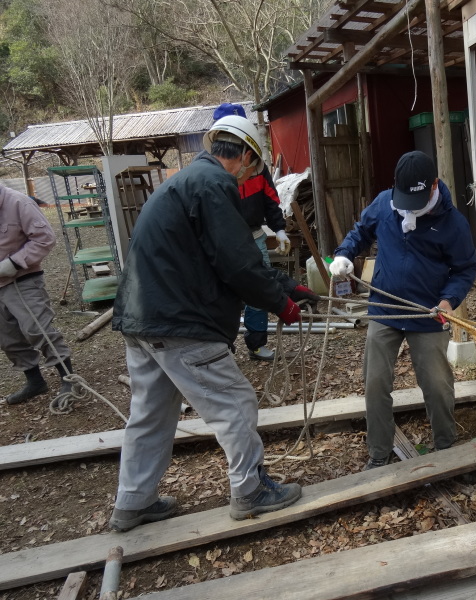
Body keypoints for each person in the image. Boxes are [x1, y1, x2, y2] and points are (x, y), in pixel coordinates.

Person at [109, 115, 319, 532]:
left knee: (150, 413)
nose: (248, 174)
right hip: (180, 320)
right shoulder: (214, 185)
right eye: (251, 167)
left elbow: (224, 254)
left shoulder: (187, 182)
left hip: (143, 317)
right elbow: (238, 263)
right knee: (236, 402)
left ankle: (133, 502)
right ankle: (250, 491)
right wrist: (281, 303)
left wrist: (287, 286)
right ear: (244, 155)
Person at [329, 151, 476, 470]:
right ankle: (379, 454)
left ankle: (446, 448)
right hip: (385, 309)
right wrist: (343, 254)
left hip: (428, 313)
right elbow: (361, 232)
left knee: (437, 384)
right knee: (376, 382)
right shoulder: (385, 203)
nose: (409, 206)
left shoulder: (452, 223)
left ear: (434, 185)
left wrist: (448, 300)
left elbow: (466, 269)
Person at [213, 103, 291, 362]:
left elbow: (270, 197)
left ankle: (256, 344)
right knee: (223, 295)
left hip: (255, 234)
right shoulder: (210, 173)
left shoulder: (255, 166)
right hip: (222, 241)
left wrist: (279, 229)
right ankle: (222, 348)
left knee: (258, 291)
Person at [0, 184, 73, 405]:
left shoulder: (19, 202)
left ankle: (68, 379)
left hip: (22, 279)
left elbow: (45, 238)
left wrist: (14, 263)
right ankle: (35, 383)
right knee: (7, 338)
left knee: (37, 329)